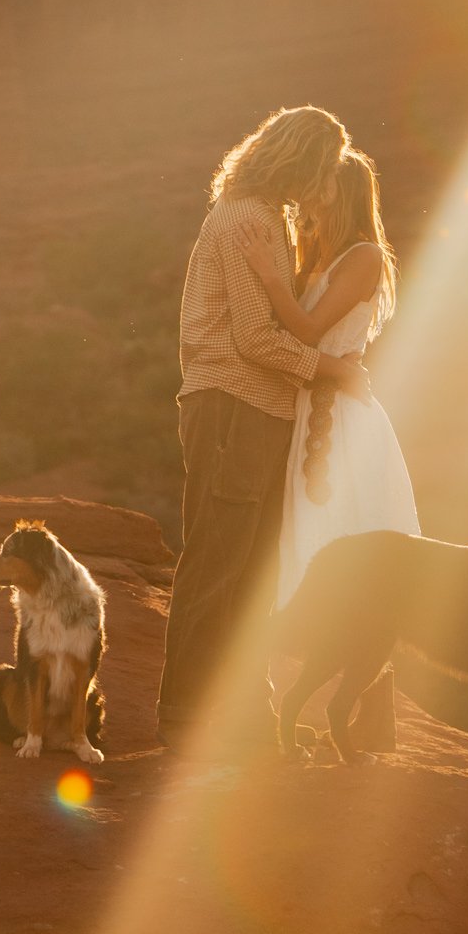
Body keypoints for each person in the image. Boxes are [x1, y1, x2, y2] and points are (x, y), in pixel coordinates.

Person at [155, 105, 371, 753]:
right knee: (218, 568)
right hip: (231, 407)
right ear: (302, 159)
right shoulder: (249, 217)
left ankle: (242, 715)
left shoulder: (259, 214)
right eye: (323, 169)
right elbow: (253, 340)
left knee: (249, 577)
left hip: (255, 412)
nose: (325, 185)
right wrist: (331, 369)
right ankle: (185, 719)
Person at [239, 144, 419, 610]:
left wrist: (267, 274)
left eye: (324, 184)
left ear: (347, 191)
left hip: (341, 414)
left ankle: (360, 661)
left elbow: (309, 329)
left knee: (339, 525)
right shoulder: (317, 250)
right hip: (302, 402)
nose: (314, 194)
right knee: (298, 529)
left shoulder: (364, 257)